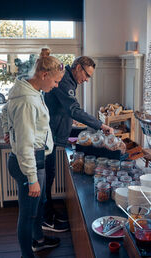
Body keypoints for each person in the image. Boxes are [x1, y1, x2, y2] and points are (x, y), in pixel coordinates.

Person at [1, 48, 65, 257]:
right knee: (28, 214)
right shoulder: (28, 101)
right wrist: (32, 178)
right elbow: (26, 145)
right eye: (55, 82)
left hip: (37, 159)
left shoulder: (30, 91)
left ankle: (38, 240)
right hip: (29, 163)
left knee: (39, 206)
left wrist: (7, 130)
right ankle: (26, 255)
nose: (56, 86)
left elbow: (4, 110)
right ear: (44, 75)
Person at [43, 56, 114, 232]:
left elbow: (64, 110)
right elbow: (73, 109)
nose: (87, 80)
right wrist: (100, 125)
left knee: (49, 176)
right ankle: (46, 219)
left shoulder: (68, 80)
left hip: (53, 134)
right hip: (48, 136)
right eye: (87, 75)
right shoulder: (66, 82)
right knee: (47, 177)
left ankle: (49, 214)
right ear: (78, 68)